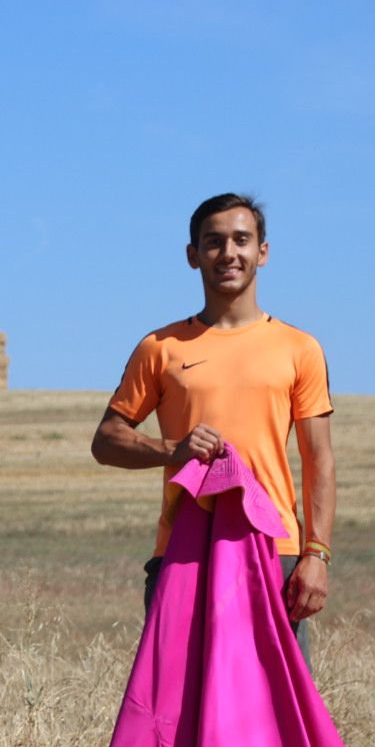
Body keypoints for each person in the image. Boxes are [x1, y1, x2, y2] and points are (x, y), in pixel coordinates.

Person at [90, 192, 335, 666]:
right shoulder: (160, 347)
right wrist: (171, 449)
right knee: (179, 714)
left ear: (262, 251)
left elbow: (318, 458)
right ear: (192, 255)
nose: (229, 253)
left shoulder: (299, 348)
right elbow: (106, 440)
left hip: (274, 551)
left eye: (242, 240)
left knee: (274, 717)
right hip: (183, 553)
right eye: (214, 242)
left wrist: (316, 555)